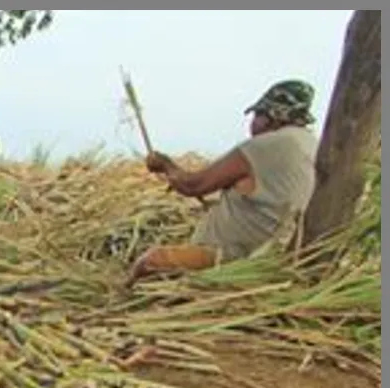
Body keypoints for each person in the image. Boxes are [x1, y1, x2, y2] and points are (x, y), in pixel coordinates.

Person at [129, 80, 319, 285]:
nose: (252, 125)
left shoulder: (268, 145)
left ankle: (118, 301)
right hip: (272, 254)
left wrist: (165, 165)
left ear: (271, 117)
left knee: (151, 262)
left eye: (257, 116)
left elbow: (192, 185)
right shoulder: (311, 145)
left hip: (234, 258)